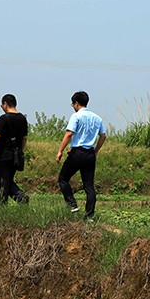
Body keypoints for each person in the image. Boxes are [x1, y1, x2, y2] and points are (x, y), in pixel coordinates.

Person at [55, 90, 107, 220]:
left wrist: (60, 150)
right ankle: (89, 216)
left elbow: (69, 134)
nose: (73, 107)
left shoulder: (76, 116)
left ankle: (72, 204)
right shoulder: (97, 118)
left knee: (63, 178)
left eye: (73, 104)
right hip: (90, 154)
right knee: (89, 185)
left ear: (76, 103)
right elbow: (103, 136)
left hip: (77, 153)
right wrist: (96, 150)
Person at [0, 93, 29, 205]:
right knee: (7, 181)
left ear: (5, 104)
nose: (2, 107)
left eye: (2, 105)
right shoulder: (22, 118)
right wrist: (20, 151)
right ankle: (19, 198)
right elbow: (24, 138)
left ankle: (7, 204)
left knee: (2, 181)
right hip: (16, 156)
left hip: (3, 155)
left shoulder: (4, 118)